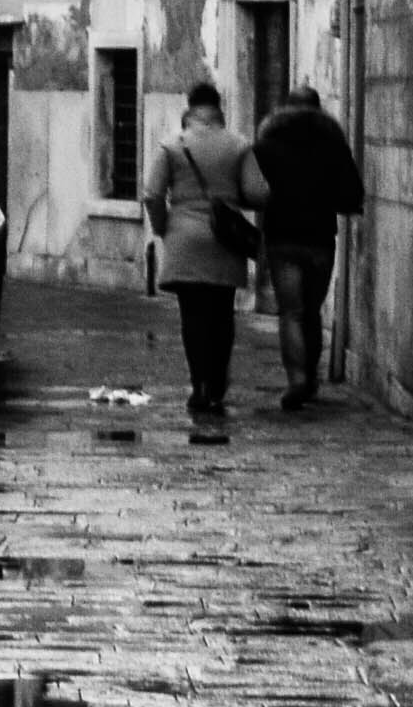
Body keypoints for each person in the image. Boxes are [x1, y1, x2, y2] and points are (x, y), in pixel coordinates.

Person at [141, 76, 266, 441]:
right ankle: (217, 383)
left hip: (183, 238)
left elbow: (151, 194)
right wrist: (229, 198)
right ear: (218, 107)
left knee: (192, 318)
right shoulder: (239, 145)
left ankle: (199, 385)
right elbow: (259, 193)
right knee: (221, 315)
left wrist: (164, 228)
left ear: (190, 108)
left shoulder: (171, 146)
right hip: (224, 240)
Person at [253, 78, 365, 412]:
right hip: (319, 239)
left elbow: (253, 188)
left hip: (281, 237)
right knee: (311, 311)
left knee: (291, 312)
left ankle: (297, 379)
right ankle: (311, 379)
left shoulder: (268, 143)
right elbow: (352, 195)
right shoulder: (332, 144)